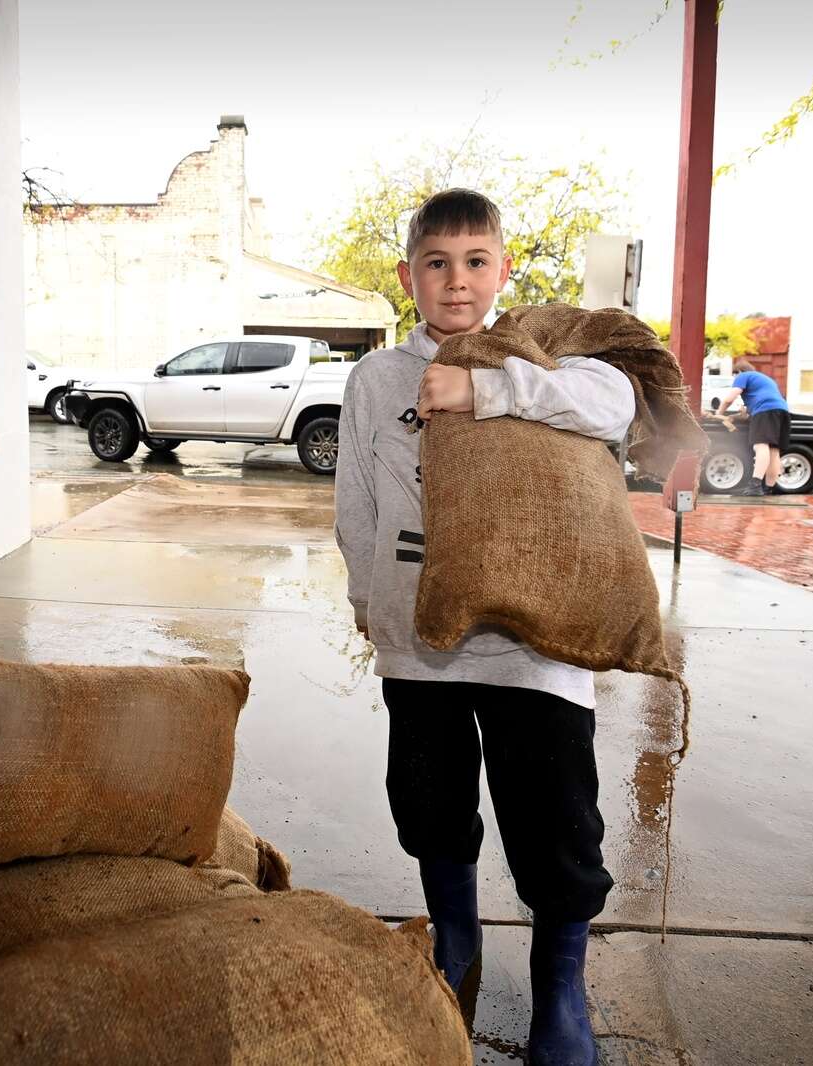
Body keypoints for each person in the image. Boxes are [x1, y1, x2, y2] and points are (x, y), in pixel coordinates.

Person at [335, 189, 635, 1066]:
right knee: (430, 804)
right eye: (437, 263)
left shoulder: (543, 351)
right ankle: (456, 943)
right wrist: (369, 603)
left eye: (475, 262)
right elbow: (357, 501)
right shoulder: (376, 379)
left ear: (503, 270)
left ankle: (560, 989)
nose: (457, 281)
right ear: (408, 277)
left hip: (533, 643)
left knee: (556, 823)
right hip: (421, 640)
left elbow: (614, 405)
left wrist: (486, 387)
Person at [714, 356, 790, 496]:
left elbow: (729, 399)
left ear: (739, 372)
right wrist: (735, 416)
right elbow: (747, 414)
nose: (734, 379)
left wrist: (719, 413)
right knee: (774, 450)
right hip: (782, 412)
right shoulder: (765, 380)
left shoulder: (743, 376)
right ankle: (768, 488)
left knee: (761, 445)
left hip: (765, 410)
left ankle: (755, 485)